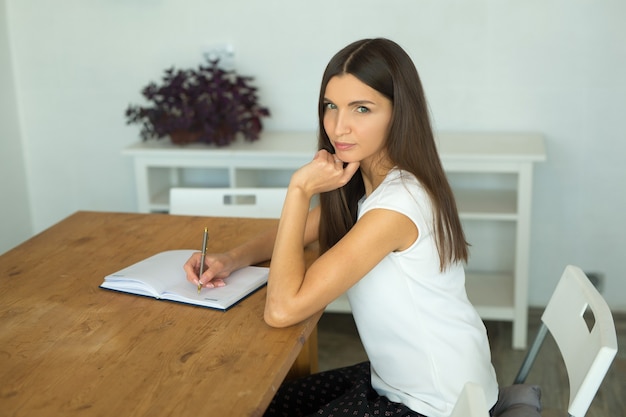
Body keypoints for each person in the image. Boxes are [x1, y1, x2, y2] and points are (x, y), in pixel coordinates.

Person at [184, 38, 499, 417]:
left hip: (435, 404)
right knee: (264, 403)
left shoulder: (397, 206)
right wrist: (231, 259)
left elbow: (282, 311)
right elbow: (303, 230)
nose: (338, 126)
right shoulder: (370, 185)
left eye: (361, 109)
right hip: (405, 380)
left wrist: (299, 189)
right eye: (330, 106)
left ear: (400, 113)